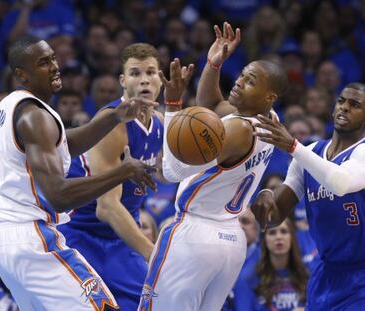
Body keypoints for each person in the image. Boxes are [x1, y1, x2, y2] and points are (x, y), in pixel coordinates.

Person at [0, 35, 158, 311]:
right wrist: (122, 172)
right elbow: (59, 196)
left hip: (2, 239)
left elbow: (66, 143)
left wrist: (113, 117)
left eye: (53, 58)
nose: (54, 66)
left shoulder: (14, 104)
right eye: (43, 63)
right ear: (22, 75)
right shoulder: (35, 118)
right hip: (31, 239)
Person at [139, 21, 288, 310]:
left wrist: (171, 106)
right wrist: (214, 64)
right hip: (230, 240)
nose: (240, 82)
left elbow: (172, 172)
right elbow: (212, 105)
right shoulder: (268, 120)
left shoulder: (237, 132)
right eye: (242, 75)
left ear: (269, 96)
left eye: (250, 81)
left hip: (194, 235)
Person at [59, 43, 186, 311]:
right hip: (81, 234)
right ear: (123, 81)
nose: (144, 79)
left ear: (161, 80)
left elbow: (164, 173)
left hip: (121, 239)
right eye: (135, 73)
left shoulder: (161, 123)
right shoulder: (112, 122)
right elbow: (107, 208)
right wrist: (156, 255)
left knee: (159, 302)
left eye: (151, 72)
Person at [251, 82, 365, 310]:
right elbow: (274, 217)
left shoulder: (361, 152)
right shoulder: (310, 152)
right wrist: (264, 198)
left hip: (361, 274)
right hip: (325, 273)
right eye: (341, 101)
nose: (344, 108)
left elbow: (341, 183)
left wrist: (293, 146)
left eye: (355, 105)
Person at [233, 218, 308, 311]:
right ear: (264, 240)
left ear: (292, 238)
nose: (278, 237)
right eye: (272, 233)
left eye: (284, 231)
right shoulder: (248, 279)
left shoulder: (306, 276)